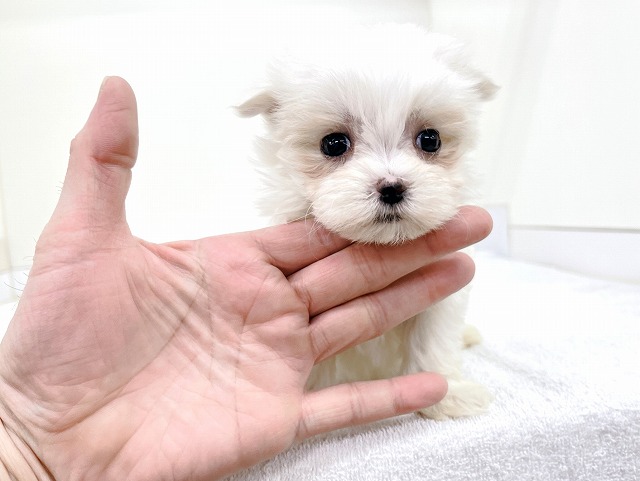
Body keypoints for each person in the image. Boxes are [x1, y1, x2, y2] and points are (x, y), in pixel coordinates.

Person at [0, 77, 492, 481]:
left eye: (428, 142)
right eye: (335, 145)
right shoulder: (279, 250)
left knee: (439, 287)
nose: (391, 176)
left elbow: (440, 301)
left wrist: (441, 372)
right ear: (279, 129)